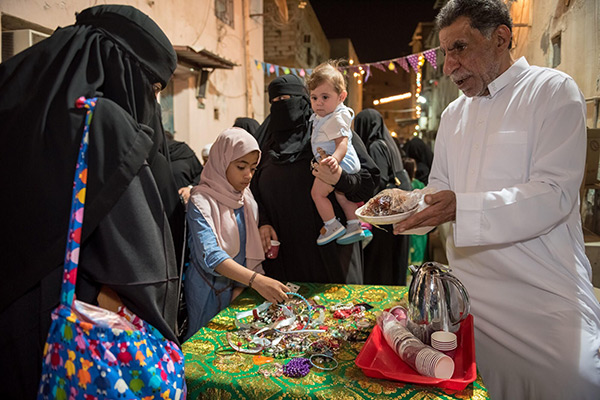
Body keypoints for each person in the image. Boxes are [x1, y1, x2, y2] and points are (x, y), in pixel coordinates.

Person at [394, 0, 600, 398]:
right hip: (469, 301)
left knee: (575, 383)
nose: (449, 66)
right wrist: (404, 209)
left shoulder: (552, 91)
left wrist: (462, 207)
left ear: (501, 38)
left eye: (460, 48)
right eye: (445, 52)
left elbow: (554, 194)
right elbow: (439, 188)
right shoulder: (453, 115)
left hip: (541, 299)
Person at [0, 5, 184, 398]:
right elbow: (139, 265)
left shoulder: (14, 95)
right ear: (126, 70)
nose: (152, 103)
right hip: (70, 341)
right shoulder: (103, 125)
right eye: (152, 88)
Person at [251, 74, 380, 284]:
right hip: (284, 254)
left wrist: (340, 179)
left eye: (287, 99)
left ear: (303, 100)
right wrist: (263, 222)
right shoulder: (265, 142)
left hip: (329, 251)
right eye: (275, 101)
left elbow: (368, 182)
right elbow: (251, 188)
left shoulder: (327, 128)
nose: (282, 105)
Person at [183, 128, 289, 340]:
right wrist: (256, 280)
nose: (248, 175)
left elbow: (245, 248)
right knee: (203, 345)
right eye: (241, 167)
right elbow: (210, 256)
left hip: (238, 288)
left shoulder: (245, 198)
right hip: (207, 291)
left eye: (253, 168)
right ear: (222, 162)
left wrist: (242, 288)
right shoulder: (201, 201)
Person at [306, 61, 364, 245]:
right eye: (314, 97)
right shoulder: (326, 116)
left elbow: (343, 143)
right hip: (342, 163)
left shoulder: (335, 118)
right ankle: (354, 224)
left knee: (317, 194)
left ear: (341, 97)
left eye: (325, 97)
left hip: (338, 162)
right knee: (341, 195)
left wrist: (334, 160)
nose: (319, 102)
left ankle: (331, 225)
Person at [354, 108, 411, 285]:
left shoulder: (375, 146)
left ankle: (381, 288)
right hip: (398, 207)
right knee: (393, 253)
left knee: (381, 255)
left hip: (385, 213)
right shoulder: (388, 142)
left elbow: (380, 179)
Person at [165, 130, 204, 204]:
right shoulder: (151, 157)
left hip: (188, 204)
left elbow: (202, 175)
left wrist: (190, 188)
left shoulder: (182, 151)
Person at [402, 157, 427, 265]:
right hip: (420, 225)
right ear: (414, 169)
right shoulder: (420, 185)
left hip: (404, 225)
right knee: (418, 255)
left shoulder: (401, 186)